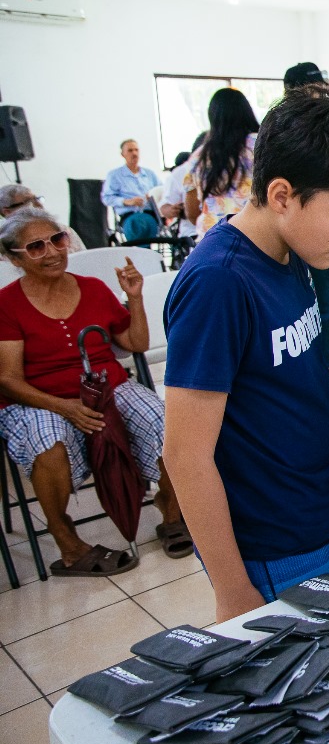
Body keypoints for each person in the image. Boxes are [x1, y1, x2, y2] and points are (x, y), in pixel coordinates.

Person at [162, 87, 329, 622]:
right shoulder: (219, 283)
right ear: (283, 194)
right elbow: (186, 454)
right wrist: (232, 592)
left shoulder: (294, 252)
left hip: (316, 513)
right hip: (269, 545)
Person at [0, 209, 187, 575]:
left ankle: (172, 508)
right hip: (37, 397)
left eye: (57, 239)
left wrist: (134, 297)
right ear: (14, 258)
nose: (52, 251)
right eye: (35, 247)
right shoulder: (7, 304)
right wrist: (64, 407)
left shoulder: (93, 288)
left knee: (166, 420)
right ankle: (67, 543)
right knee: (46, 441)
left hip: (107, 384)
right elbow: (8, 379)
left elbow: (135, 342)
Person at [283, 61, 329, 368]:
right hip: (286, 238)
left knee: (328, 300)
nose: (319, 98)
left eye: (323, 90)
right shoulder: (283, 139)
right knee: (294, 313)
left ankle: (321, 367)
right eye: (311, 92)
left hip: (317, 236)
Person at [184, 88, 259, 237]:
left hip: (211, 241)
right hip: (255, 240)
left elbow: (191, 212)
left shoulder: (198, 157)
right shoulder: (261, 144)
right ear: (247, 111)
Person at [102, 139, 161, 242]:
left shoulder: (150, 174)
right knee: (137, 225)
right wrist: (127, 201)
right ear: (122, 154)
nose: (134, 153)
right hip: (130, 216)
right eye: (130, 150)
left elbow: (162, 191)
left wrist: (153, 196)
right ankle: (141, 253)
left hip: (150, 214)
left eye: (136, 150)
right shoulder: (115, 175)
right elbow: (106, 197)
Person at [0, 184, 85, 251]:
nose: (39, 205)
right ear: (7, 212)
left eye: (36, 199)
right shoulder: (5, 240)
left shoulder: (62, 230)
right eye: (28, 201)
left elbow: (83, 260)